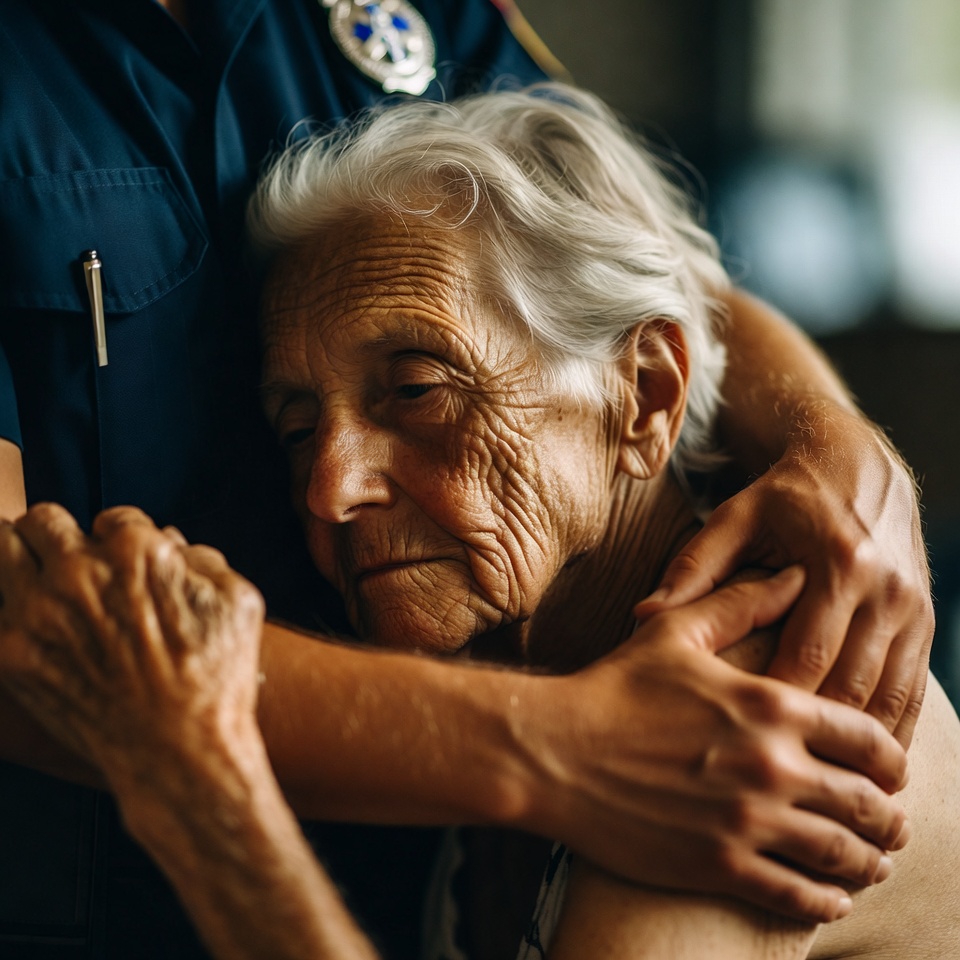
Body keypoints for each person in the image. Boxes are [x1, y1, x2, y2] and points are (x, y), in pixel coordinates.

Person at [0, 1, 932, 956]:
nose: (328, 491)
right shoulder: (546, 709)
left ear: (646, 398)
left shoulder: (748, 718)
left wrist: (836, 445)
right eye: (296, 431)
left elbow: (644, 262)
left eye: (416, 389)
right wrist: (558, 741)